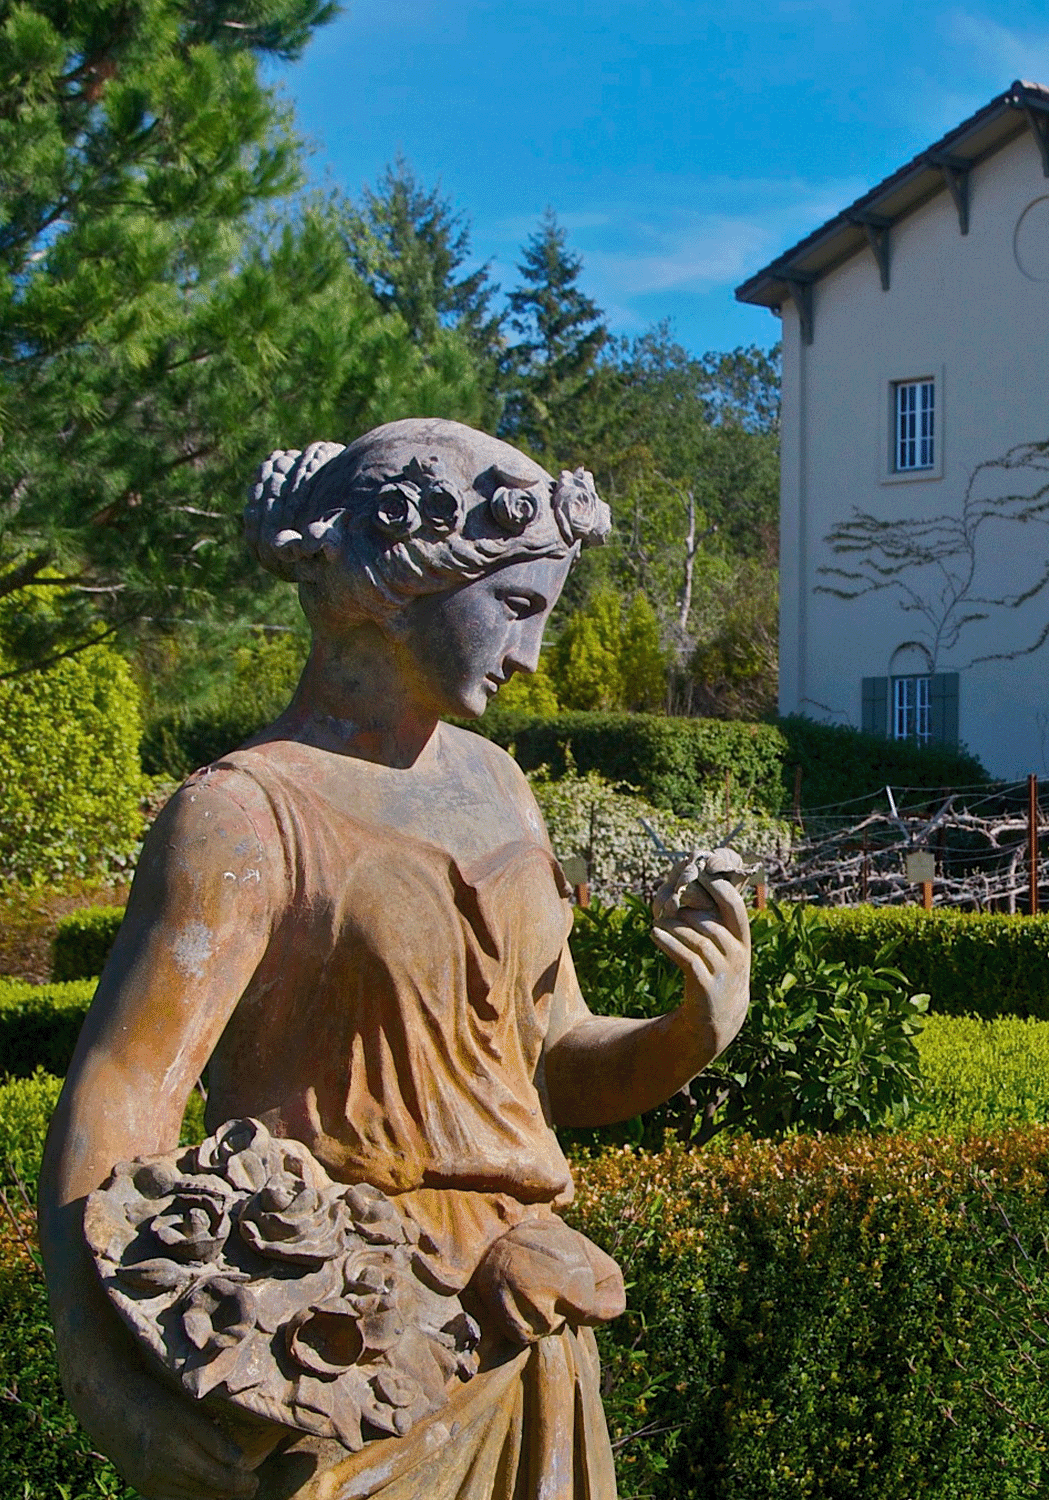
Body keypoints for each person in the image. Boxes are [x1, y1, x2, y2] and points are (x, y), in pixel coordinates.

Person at [39, 419, 751, 1500]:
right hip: (346, 1345)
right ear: (401, 583)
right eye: (514, 609)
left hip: (526, 1323)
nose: (530, 657)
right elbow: (126, 1095)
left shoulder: (499, 787)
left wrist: (690, 1031)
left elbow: (552, 1066)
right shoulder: (244, 813)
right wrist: (107, 1370)